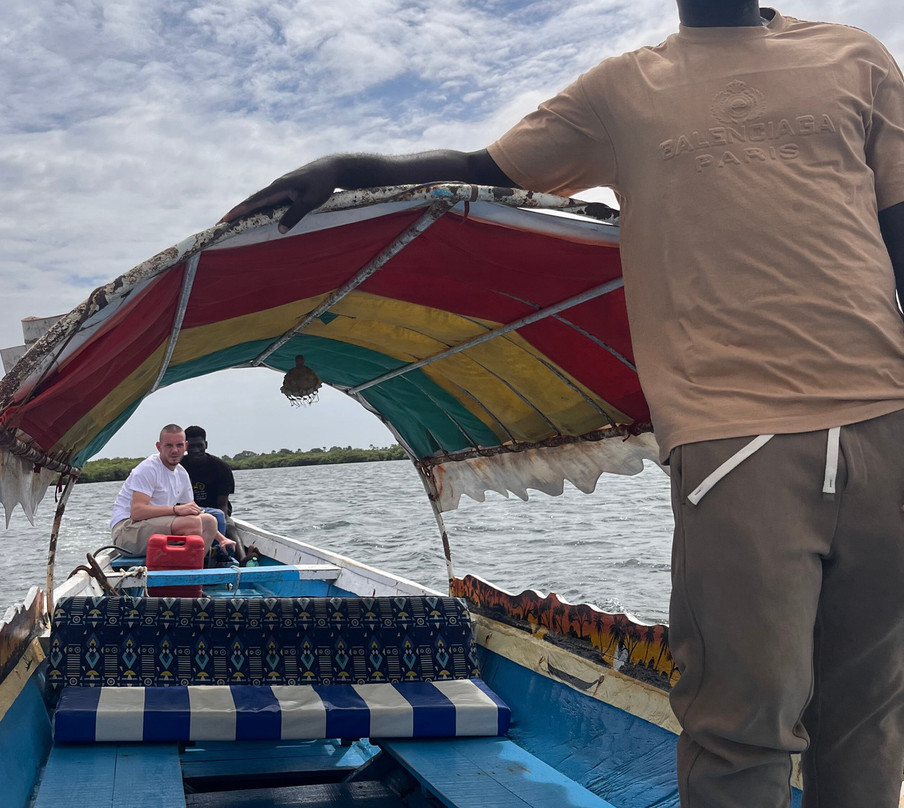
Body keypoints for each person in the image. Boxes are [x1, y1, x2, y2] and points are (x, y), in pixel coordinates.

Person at [222, 4, 904, 806]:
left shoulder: (855, 56)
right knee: (741, 724)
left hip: (888, 423)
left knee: (871, 725)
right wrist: (346, 165)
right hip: (735, 438)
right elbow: (484, 165)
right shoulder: (625, 90)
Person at [110, 424, 236, 558]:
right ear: (159, 447)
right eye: (169, 445)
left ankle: (193, 569)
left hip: (151, 526)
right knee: (192, 523)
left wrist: (222, 538)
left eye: (179, 445)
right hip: (127, 532)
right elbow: (136, 512)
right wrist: (175, 509)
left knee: (210, 521)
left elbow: (194, 511)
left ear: (185, 446)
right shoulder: (148, 469)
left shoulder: (181, 473)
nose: (175, 450)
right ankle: (182, 569)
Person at [179, 425, 244, 560]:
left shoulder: (221, 468)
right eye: (191, 446)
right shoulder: (179, 467)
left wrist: (220, 521)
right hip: (187, 510)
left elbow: (222, 505)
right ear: (185, 447)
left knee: (228, 524)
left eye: (199, 445)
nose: (196, 450)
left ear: (206, 445)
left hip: (217, 509)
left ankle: (242, 559)